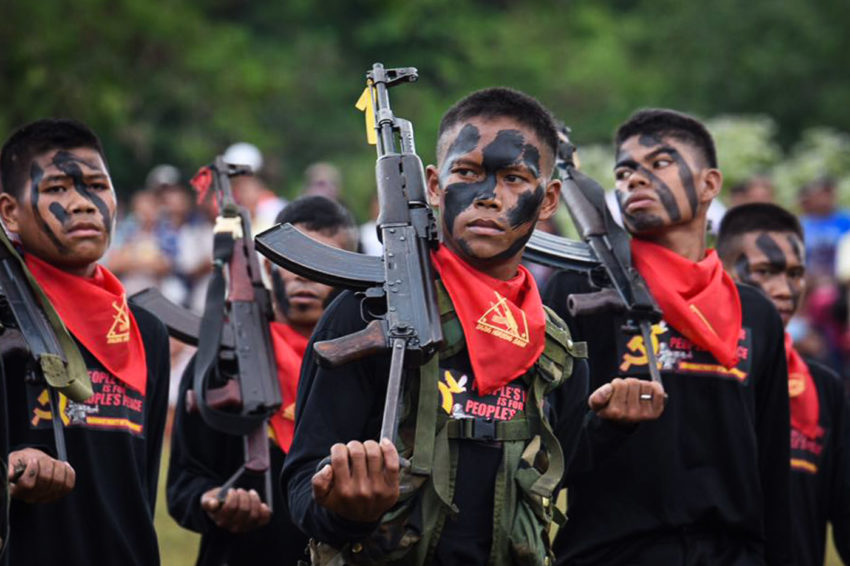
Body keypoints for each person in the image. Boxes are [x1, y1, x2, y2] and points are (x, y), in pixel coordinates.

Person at [282, 88, 664, 566]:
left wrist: (608, 428)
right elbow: (300, 487)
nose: (488, 196)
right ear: (435, 186)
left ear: (548, 201)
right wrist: (345, 511)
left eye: (513, 178)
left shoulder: (555, 346)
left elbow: (549, 479)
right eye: (468, 173)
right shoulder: (369, 312)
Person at [543, 108, 792, 565]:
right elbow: (543, 459)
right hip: (611, 553)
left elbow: (775, 471)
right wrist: (605, 425)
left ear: (709, 185)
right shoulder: (580, 292)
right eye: (624, 171)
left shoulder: (755, 313)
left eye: (659, 163)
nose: (635, 179)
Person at [0, 118, 169, 565]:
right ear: (9, 212)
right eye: (56, 189)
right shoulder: (4, 321)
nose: (82, 204)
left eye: (96, 185)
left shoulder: (146, 331)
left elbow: (142, 487)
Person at [166, 196, 357, 566]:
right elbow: (182, 484)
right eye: (294, 261)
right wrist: (213, 502)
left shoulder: (367, 363)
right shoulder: (224, 357)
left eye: (324, 259)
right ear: (269, 267)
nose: (305, 274)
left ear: (352, 270)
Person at [716, 202, 850, 566]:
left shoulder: (825, 388)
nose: (785, 289)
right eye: (764, 271)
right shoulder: (697, 372)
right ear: (720, 270)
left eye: (795, 273)